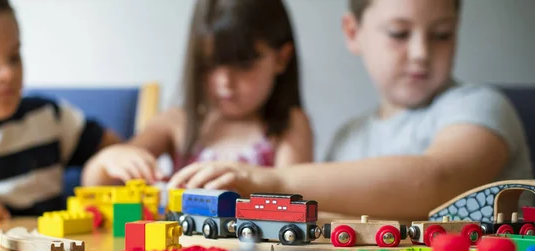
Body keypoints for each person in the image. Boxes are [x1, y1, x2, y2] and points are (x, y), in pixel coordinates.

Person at [168, 0, 533, 220]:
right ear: (353, 32)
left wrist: (273, 182)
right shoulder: (347, 140)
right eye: (399, 33)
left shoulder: (482, 106)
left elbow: (439, 181)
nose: (421, 52)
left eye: (441, 34)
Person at [82, 0, 313, 186]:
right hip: (185, 244)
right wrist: (109, 159)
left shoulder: (289, 125)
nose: (224, 82)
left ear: (281, 59)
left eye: (243, 65)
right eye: (209, 64)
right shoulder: (177, 122)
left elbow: (294, 199)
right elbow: (95, 182)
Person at [0, 0, 121, 217]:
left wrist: (115, 156)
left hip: (47, 249)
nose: (7, 73)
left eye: (14, 57)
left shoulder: (49, 117)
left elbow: (114, 151)